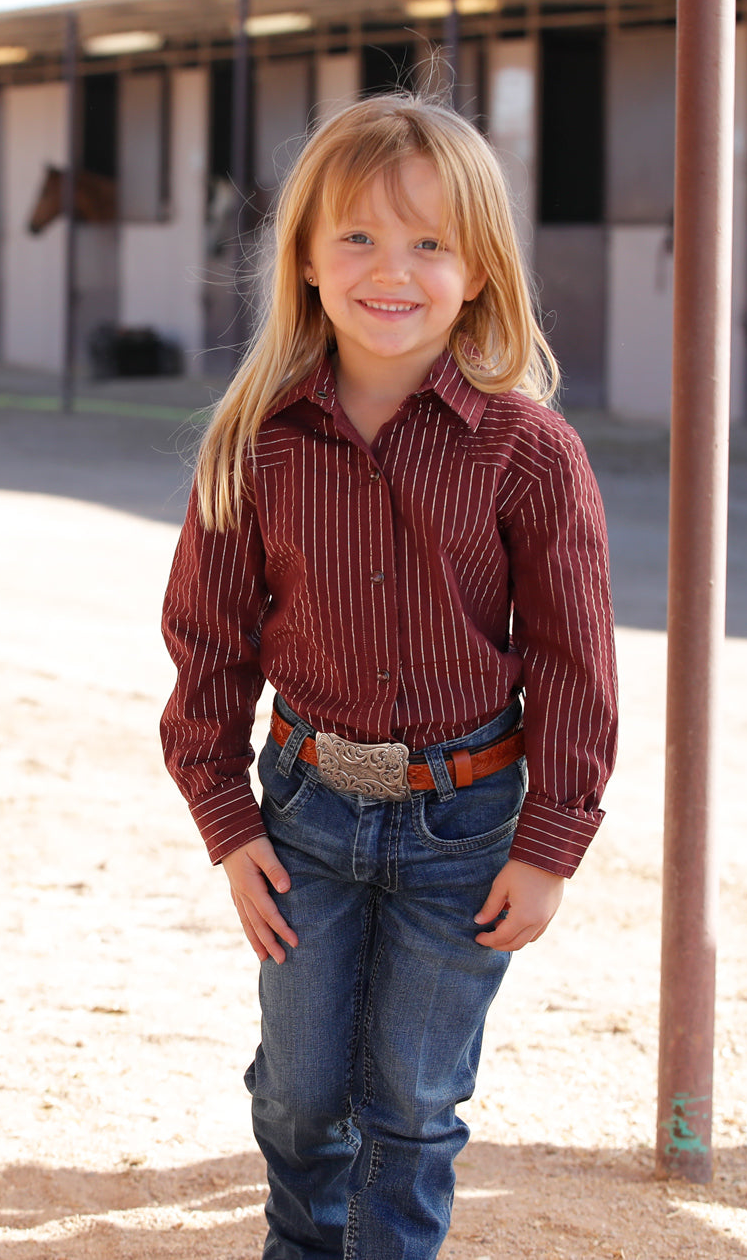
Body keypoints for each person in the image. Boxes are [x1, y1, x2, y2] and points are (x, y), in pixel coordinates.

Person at [160, 91, 618, 1260]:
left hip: (465, 829)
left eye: (428, 242)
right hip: (304, 816)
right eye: (357, 236)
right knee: (302, 1101)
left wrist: (550, 841)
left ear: (478, 269)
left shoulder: (529, 449)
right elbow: (209, 646)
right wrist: (227, 820)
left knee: (413, 1111)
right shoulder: (254, 438)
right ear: (306, 257)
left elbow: (574, 657)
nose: (391, 269)